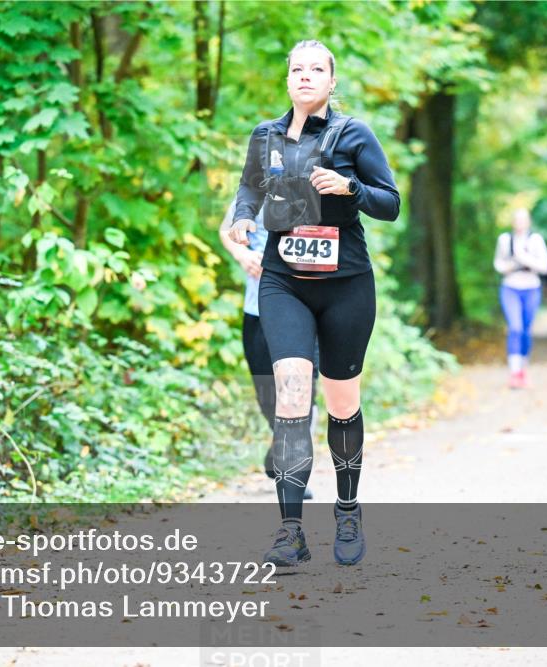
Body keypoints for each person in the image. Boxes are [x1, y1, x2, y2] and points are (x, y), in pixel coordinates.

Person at [227, 40, 400, 567]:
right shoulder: (266, 135)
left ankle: (347, 510)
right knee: (292, 394)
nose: (305, 77)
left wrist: (350, 187)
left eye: (316, 69)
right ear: (288, 81)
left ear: (331, 81)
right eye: (297, 69)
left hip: (346, 282)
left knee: (341, 402)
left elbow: (390, 203)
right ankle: (290, 531)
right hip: (284, 282)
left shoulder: (354, 134)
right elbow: (248, 190)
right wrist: (241, 218)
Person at [218, 198, 314, 500]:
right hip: (259, 309)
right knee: (267, 393)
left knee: (302, 392)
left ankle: (292, 472)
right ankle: (278, 445)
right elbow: (226, 229)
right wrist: (242, 254)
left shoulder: (320, 184)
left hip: (309, 308)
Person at [493, 209, 547, 389]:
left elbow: (545, 267)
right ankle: (514, 372)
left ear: (528, 222)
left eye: (523, 220)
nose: (519, 223)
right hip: (510, 288)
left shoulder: (536, 240)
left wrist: (524, 259)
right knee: (515, 328)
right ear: (512, 222)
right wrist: (509, 265)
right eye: (516, 220)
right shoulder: (504, 240)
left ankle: (523, 368)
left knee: (526, 330)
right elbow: (498, 264)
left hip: (531, 288)